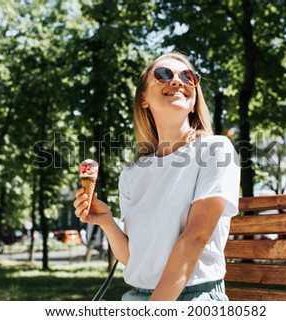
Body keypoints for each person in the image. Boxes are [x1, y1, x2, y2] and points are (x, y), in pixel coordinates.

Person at [73, 52, 240, 301]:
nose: (177, 81)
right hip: (136, 297)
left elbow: (196, 237)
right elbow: (134, 259)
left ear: (194, 101)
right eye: (164, 74)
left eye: (188, 76)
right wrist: (107, 221)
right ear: (143, 99)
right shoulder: (131, 174)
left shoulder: (215, 150)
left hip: (194, 298)